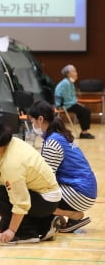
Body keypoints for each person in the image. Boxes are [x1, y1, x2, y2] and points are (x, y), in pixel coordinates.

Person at [0, 118, 62, 243]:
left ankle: (27, 233)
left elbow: (20, 202)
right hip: (45, 195)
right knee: (3, 224)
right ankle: (44, 224)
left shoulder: (13, 164)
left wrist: (12, 230)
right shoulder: (14, 142)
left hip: (45, 200)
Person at [28, 100, 97, 233]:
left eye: (32, 122)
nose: (32, 126)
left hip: (79, 193)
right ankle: (60, 215)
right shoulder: (59, 135)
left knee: (32, 194)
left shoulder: (52, 142)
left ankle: (72, 215)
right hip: (85, 190)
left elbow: (46, 180)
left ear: (40, 119)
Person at [54, 64, 95, 139]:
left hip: (68, 103)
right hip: (63, 104)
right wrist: (77, 104)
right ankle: (84, 133)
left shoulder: (69, 82)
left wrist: (77, 103)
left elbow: (71, 97)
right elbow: (67, 99)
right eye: (74, 71)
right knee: (85, 111)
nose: (76, 73)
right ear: (68, 74)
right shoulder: (66, 83)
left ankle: (84, 132)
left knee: (83, 110)